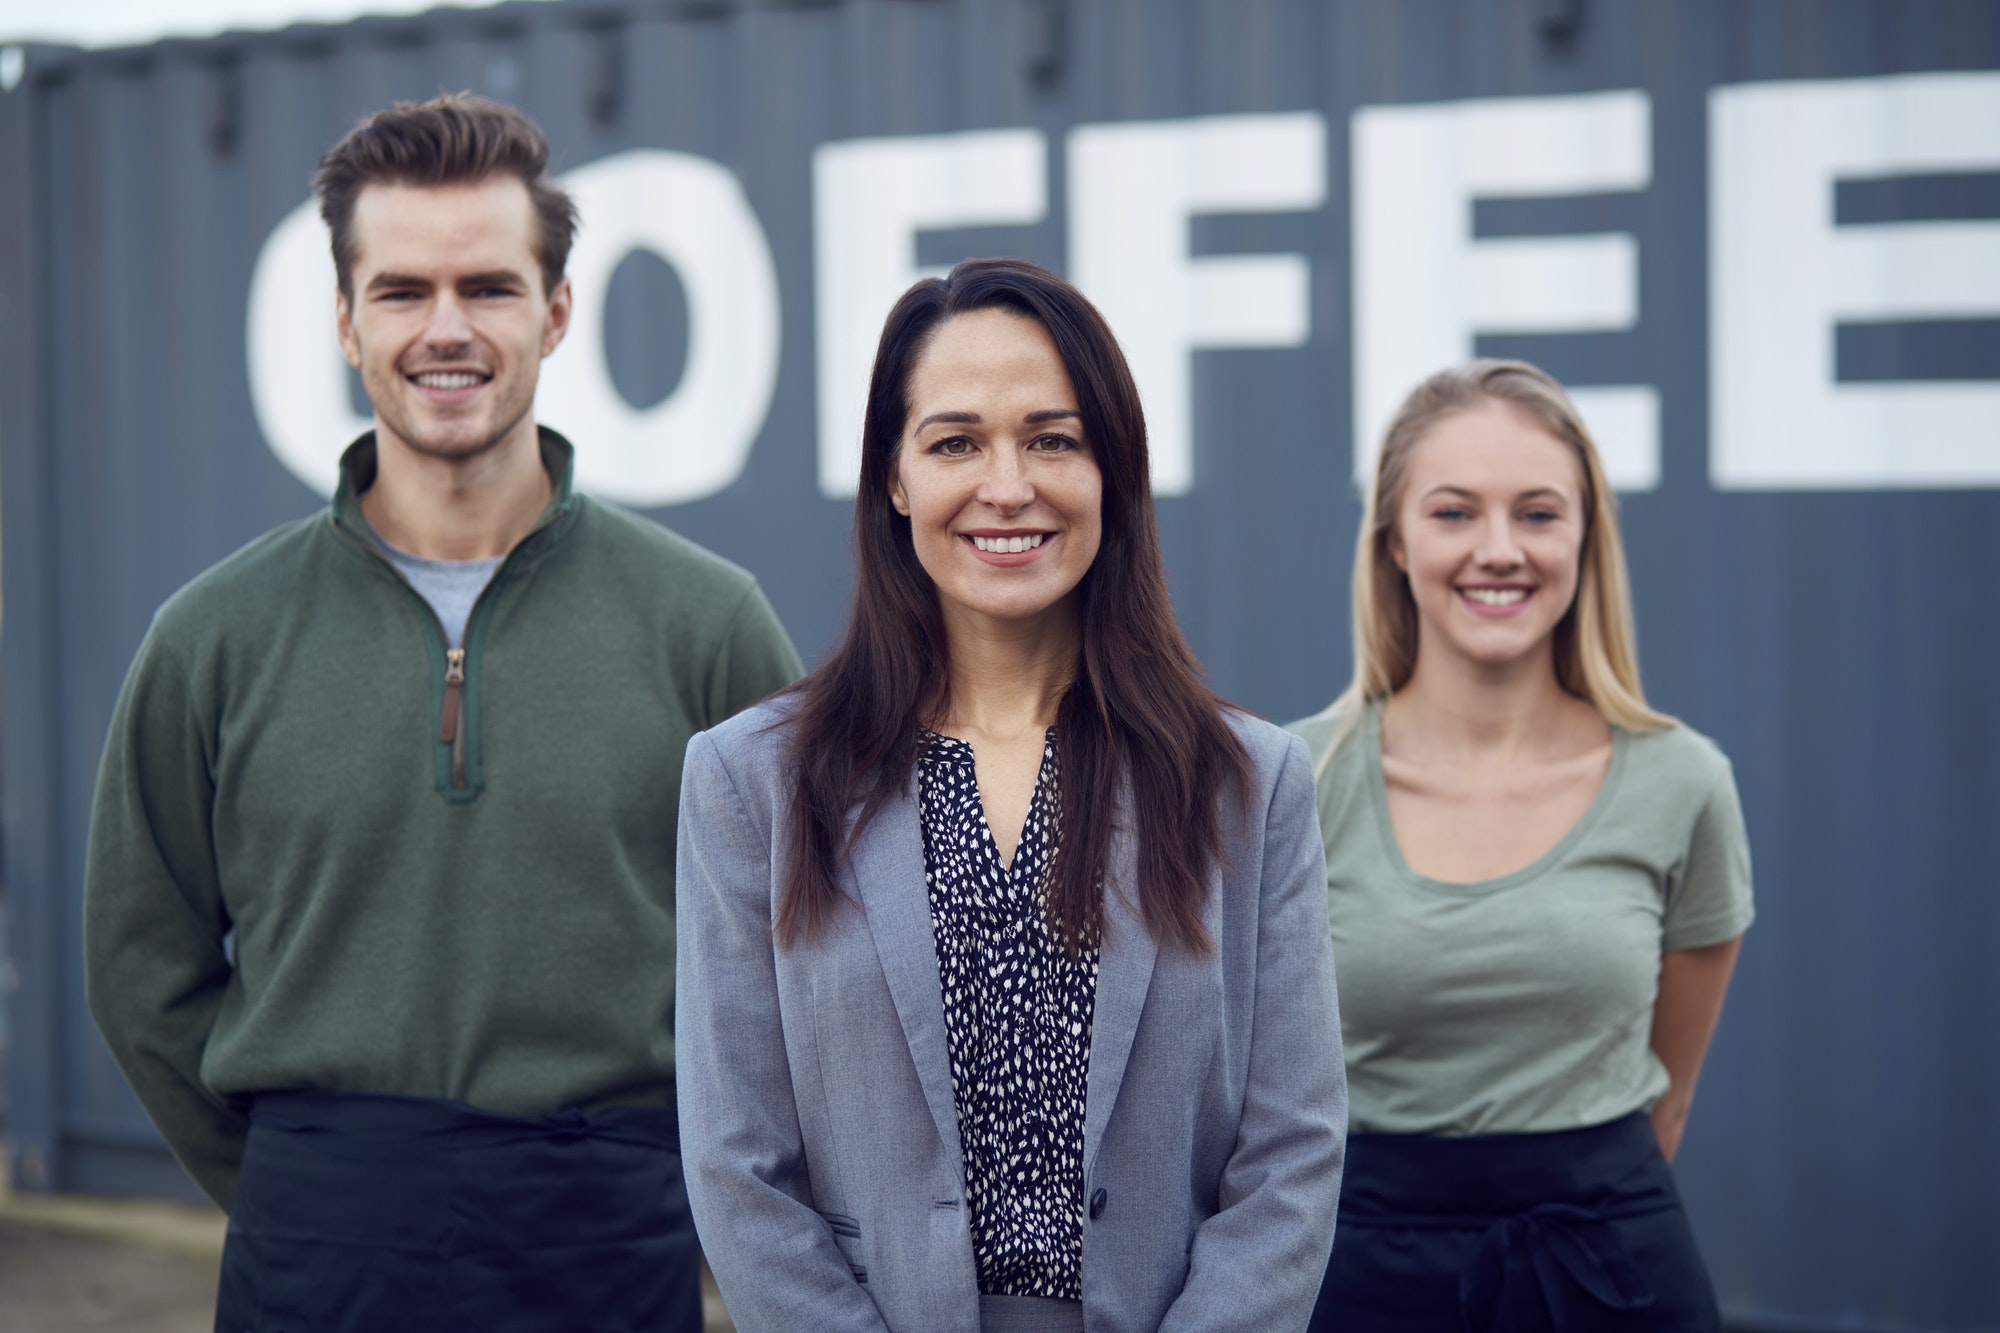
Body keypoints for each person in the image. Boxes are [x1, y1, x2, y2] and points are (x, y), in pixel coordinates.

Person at [83, 93, 801, 1331]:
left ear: (557, 310)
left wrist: (696, 1192)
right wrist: (296, 1180)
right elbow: (139, 968)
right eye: (404, 291)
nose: (446, 329)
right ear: (347, 322)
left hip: (609, 1242)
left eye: (489, 287)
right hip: (315, 1241)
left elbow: (804, 955)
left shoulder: (706, 624)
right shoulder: (211, 639)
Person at [674, 257, 1345, 1333]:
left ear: (1110, 469)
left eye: (1050, 438)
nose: (1006, 484)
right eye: (954, 442)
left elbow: (1291, 1158)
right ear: (893, 479)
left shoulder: (1244, 785)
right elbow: (735, 1160)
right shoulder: (752, 781)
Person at [1290, 360, 1753, 1330]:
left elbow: (1662, 1104)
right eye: (1453, 512)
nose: (1497, 549)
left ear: (1584, 540)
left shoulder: (1683, 782)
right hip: (1355, 1274)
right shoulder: (1289, 782)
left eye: (1537, 514)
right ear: (1392, 544)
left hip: (1612, 1274)